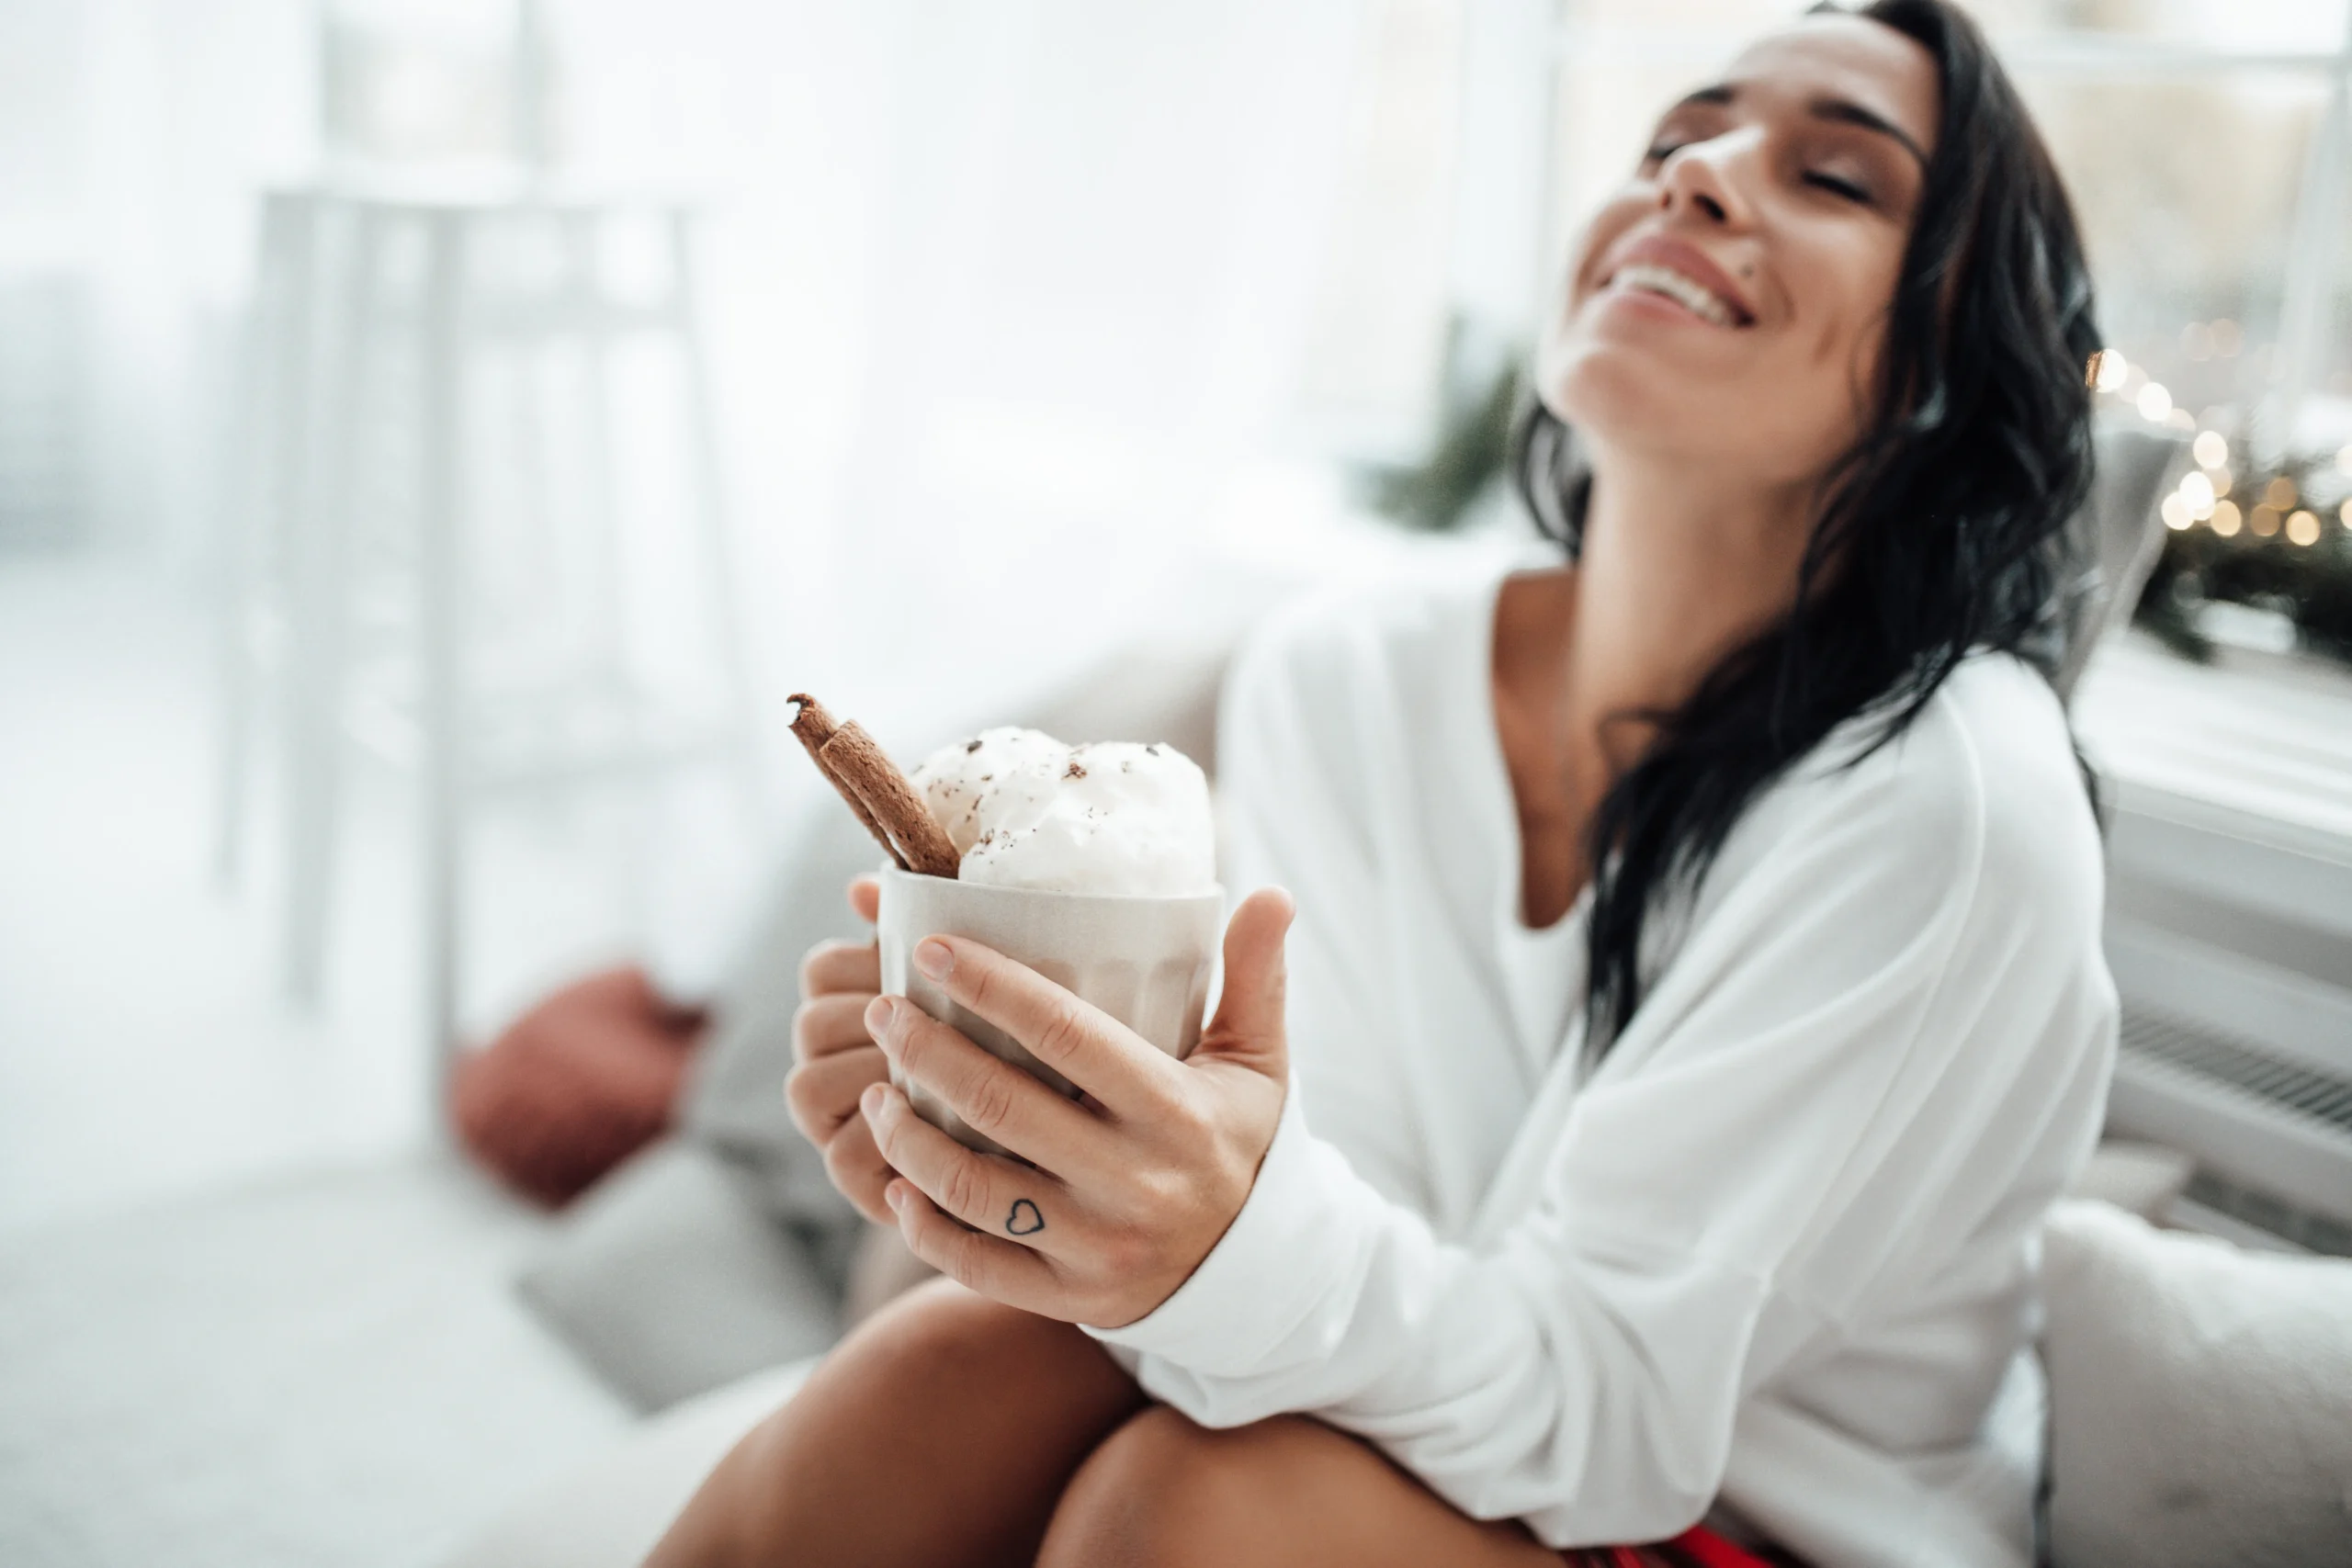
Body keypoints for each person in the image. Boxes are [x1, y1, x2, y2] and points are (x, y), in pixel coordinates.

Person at [647, 0, 2116, 1562]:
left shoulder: (1952, 804)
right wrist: (1041, 1179)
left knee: (1196, 1517)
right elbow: (1361, 1232)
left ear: (1962, 362)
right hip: (1443, 1402)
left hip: (1741, 1513)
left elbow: (1610, 1411)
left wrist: (1214, 1236)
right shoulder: (1349, 672)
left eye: (1838, 178)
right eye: (1675, 138)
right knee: (937, 1372)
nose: (1694, 178)